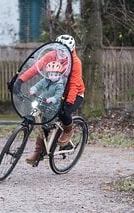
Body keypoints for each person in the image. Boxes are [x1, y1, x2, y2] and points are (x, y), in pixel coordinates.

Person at [14, 34, 85, 165]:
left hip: (74, 94)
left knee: (64, 113)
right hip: (53, 93)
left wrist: (68, 102)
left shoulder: (75, 62)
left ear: (72, 49)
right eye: (60, 49)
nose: (62, 53)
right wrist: (20, 81)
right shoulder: (52, 55)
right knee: (44, 118)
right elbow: (36, 68)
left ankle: (68, 130)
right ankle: (38, 151)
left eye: (65, 50)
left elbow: (75, 84)